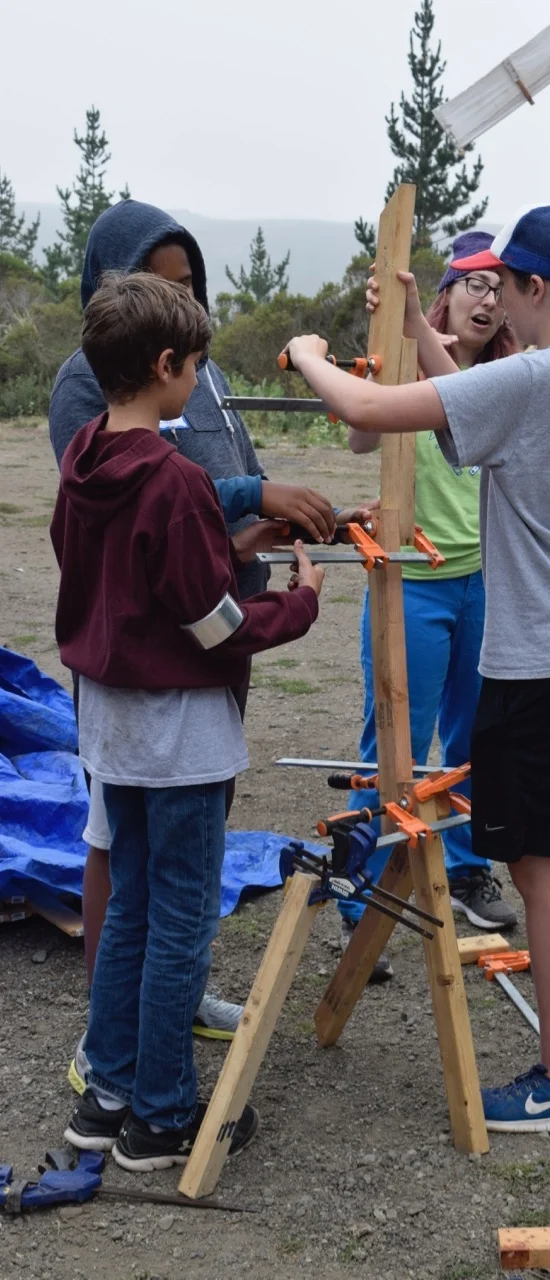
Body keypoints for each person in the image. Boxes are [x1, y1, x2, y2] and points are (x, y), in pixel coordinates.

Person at [280, 202, 550, 1133]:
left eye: (504, 286)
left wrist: (308, 351)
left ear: (534, 288)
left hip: (549, 656)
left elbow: (365, 407)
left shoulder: (533, 374)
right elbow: (478, 410)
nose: (494, 301)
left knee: (540, 866)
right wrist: (415, 326)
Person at [48, 199, 339, 1047]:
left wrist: (248, 526)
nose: (186, 304)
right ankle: (133, 1050)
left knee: (176, 864)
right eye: (159, 283)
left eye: (189, 285)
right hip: (162, 660)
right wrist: (291, 590)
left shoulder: (196, 371)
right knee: (135, 864)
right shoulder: (86, 385)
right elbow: (154, 503)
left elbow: (204, 486)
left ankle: (154, 1016)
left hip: (196, 650)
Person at [340, 231, 520, 982]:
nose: (487, 299)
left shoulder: (513, 375)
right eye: (475, 284)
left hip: (486, 579)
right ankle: (362, 894)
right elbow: (357, 434)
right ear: (444, 290)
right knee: (394, 735)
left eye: (499, 288)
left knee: (478, 734)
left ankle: (468, 866)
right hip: (413, 577)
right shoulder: (413, 361)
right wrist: (394, 341)